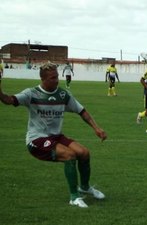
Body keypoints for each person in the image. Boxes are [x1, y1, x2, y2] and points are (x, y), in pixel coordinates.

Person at [0, 62, 107, 208]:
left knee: (84, 153)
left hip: (56, 136)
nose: (57, 80)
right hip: (37, 139)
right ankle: (74, 197)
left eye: (57, 76)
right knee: (69, 156)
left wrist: (97, 128)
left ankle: (85, 187)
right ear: (43, 79)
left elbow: (82, 111)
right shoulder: (31, 94)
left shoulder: (63, 94)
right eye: (52, 78)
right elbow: (8, 100)